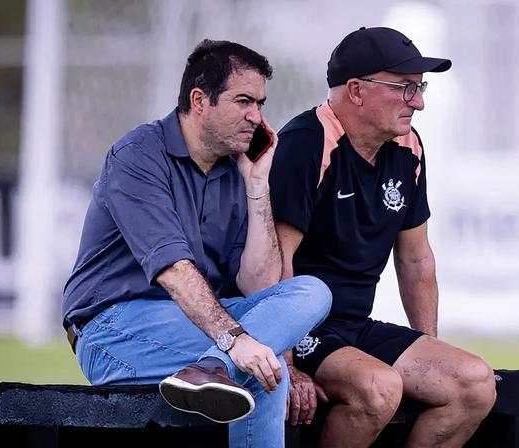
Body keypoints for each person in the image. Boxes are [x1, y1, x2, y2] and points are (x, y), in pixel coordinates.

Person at [61, 39, 331, 448]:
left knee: (313, 291)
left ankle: (210, 368)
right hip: (111, 330)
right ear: (199, 100)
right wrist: (235, 342)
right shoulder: (137, 155)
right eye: (243, 101)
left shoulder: (238, 169)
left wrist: (258, 184)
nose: (256, 117)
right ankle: (215, 364)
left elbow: (260, 286)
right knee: (265, 367)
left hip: (199, 327)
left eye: (260, 104)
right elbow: (174, 272)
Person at [270, 27, 496, 447]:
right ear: (356, 90)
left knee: (474, 383)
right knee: (379, 388)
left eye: (420, 88)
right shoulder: (306, 142)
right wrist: (286, 365)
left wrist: (427, 349)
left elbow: (416, 260)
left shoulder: (408, 146)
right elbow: (274, 262)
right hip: (301, 331)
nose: (419, 102)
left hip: (356, 328)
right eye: (405, 88)